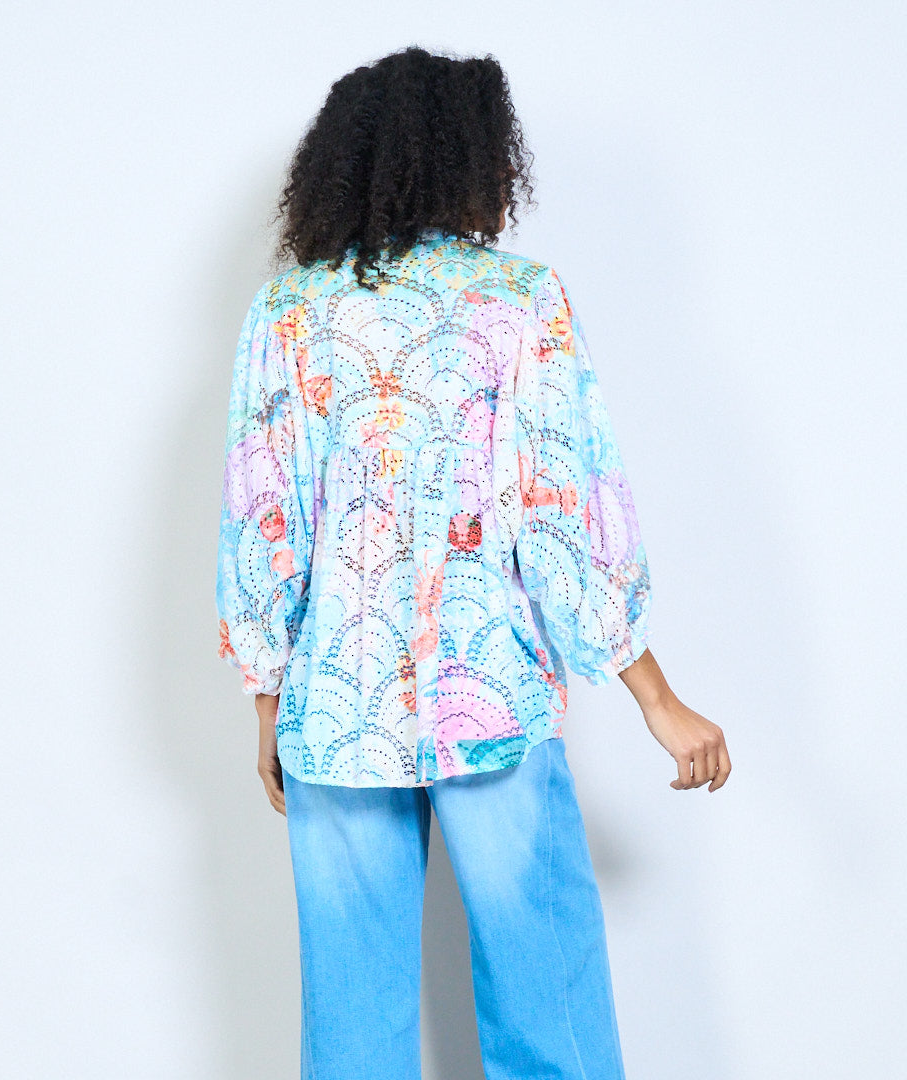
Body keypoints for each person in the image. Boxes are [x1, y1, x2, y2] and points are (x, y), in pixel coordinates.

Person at [215, 44, 731, 1080]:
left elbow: (265, 521)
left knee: (350, 1023)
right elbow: (562, 512)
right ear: (471, 156)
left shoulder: (289, 311)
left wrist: (269, 703)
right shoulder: (518, 301)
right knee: (549, 998)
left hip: (335, 704)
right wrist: (657, 698)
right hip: (488, 691)